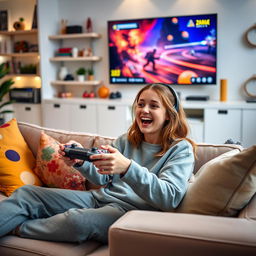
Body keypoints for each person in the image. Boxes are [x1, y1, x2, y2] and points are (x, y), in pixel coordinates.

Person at [0, 83, 196, 244]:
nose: (144, 110)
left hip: (132, 212)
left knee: (78, 221)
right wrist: (80, 162)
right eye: (140, 104)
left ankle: (19, 227)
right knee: (28, 194)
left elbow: (169, 198)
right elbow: (103, 178)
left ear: (169, 114)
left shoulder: (181, 149)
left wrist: (128, 168)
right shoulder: (127, 140)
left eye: (153, 106)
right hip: (99, 198)